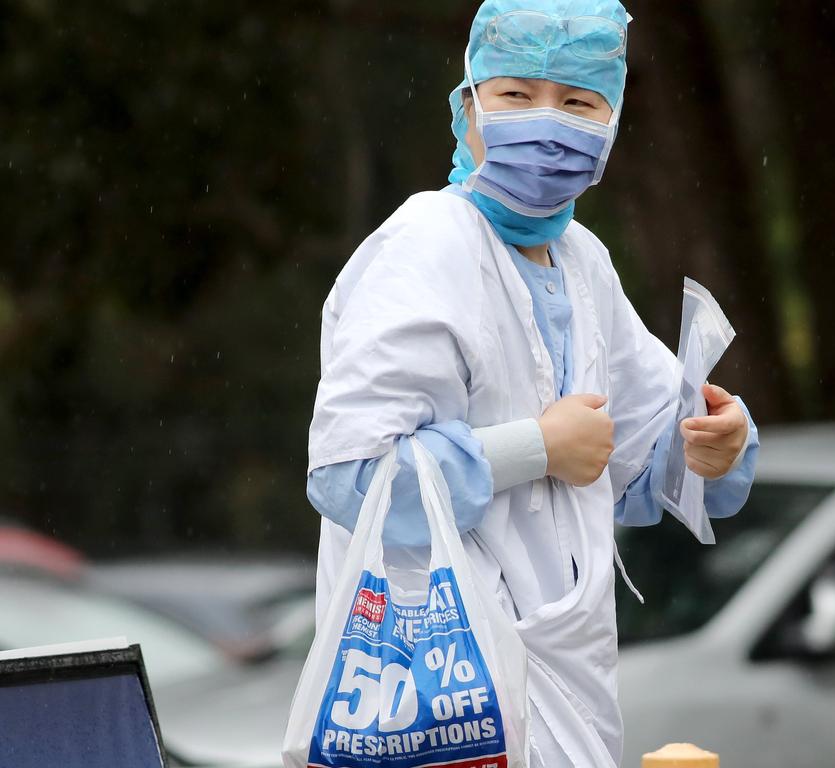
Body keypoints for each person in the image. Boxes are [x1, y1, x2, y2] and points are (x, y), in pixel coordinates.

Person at [305, 1, 760, 765]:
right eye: (516, 94)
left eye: (579, 102)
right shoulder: (427, 245)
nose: (547, 123)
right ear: (468, 108)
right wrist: (534, 450)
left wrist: (716, 446)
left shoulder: (583, 262)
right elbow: (351, 476)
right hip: (429, 697)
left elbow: (645, 464)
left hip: (567, 689)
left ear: (612, 124)